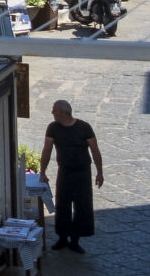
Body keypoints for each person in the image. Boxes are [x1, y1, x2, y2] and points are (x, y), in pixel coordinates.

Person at [38, 99, 103, 252]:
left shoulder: (84, 127)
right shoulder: (53, 128)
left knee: (83, 205)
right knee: (62, 204)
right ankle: (62, 238)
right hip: (65, 171)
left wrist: (100, 172)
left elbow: (95, 151)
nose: (52, 113)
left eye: (54, 110)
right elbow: (47, 150)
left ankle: (75, 240)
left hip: (82, 172)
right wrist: (42, 171)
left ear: (63, 112)